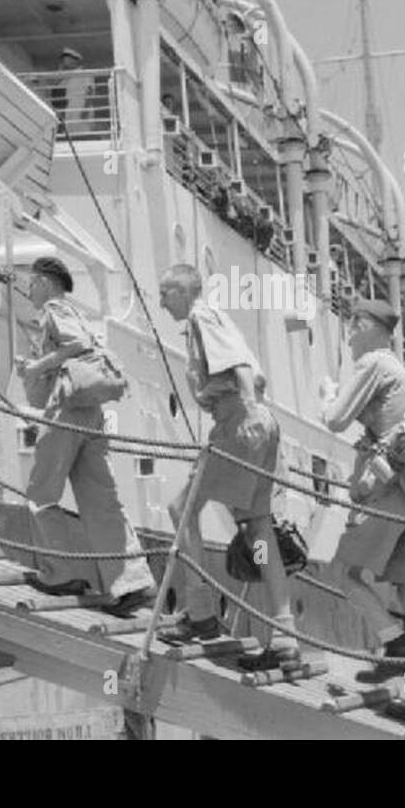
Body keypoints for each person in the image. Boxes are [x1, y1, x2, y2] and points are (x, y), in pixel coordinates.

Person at [156, 264, 298, 671]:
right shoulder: (220, 318)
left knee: (180, 509)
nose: (162, 302)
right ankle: (285, 633)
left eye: (166, 293)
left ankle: (200, 613)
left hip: (239, 422)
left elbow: (240, 369)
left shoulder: (202, 316)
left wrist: (244, 415)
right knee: (257, 529)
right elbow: (259, 376)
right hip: (258, 423)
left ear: (183, 291)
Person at [319, 297, 405, 723]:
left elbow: (336, 420)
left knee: (345, 574)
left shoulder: (375, 363)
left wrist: (328, 394)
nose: (349, 335)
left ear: (367, 325)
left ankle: (395, 649)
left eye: (353, 326)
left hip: (389, 491)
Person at [16, 256, 155, 616]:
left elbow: (75, 346)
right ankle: (130, 581)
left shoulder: (53, 309)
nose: (29, 290)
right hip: (90, 413)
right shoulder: (76, 311)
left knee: (41, 493)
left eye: (32, 283)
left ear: (45, 283)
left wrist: (35, 365)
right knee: (101, 499)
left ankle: (60, 572)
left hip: (67, 410)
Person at [50, 48, 95, 134]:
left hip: (82, 103)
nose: (64, 62)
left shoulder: (84, 72)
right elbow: (56, 85)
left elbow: (90, 90)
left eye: (66, 60)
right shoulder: (70, 75)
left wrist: (86, 109)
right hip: (71, 104)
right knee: (71, 131)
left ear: (74, 60)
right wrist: (61, 70)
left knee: (82, 130)